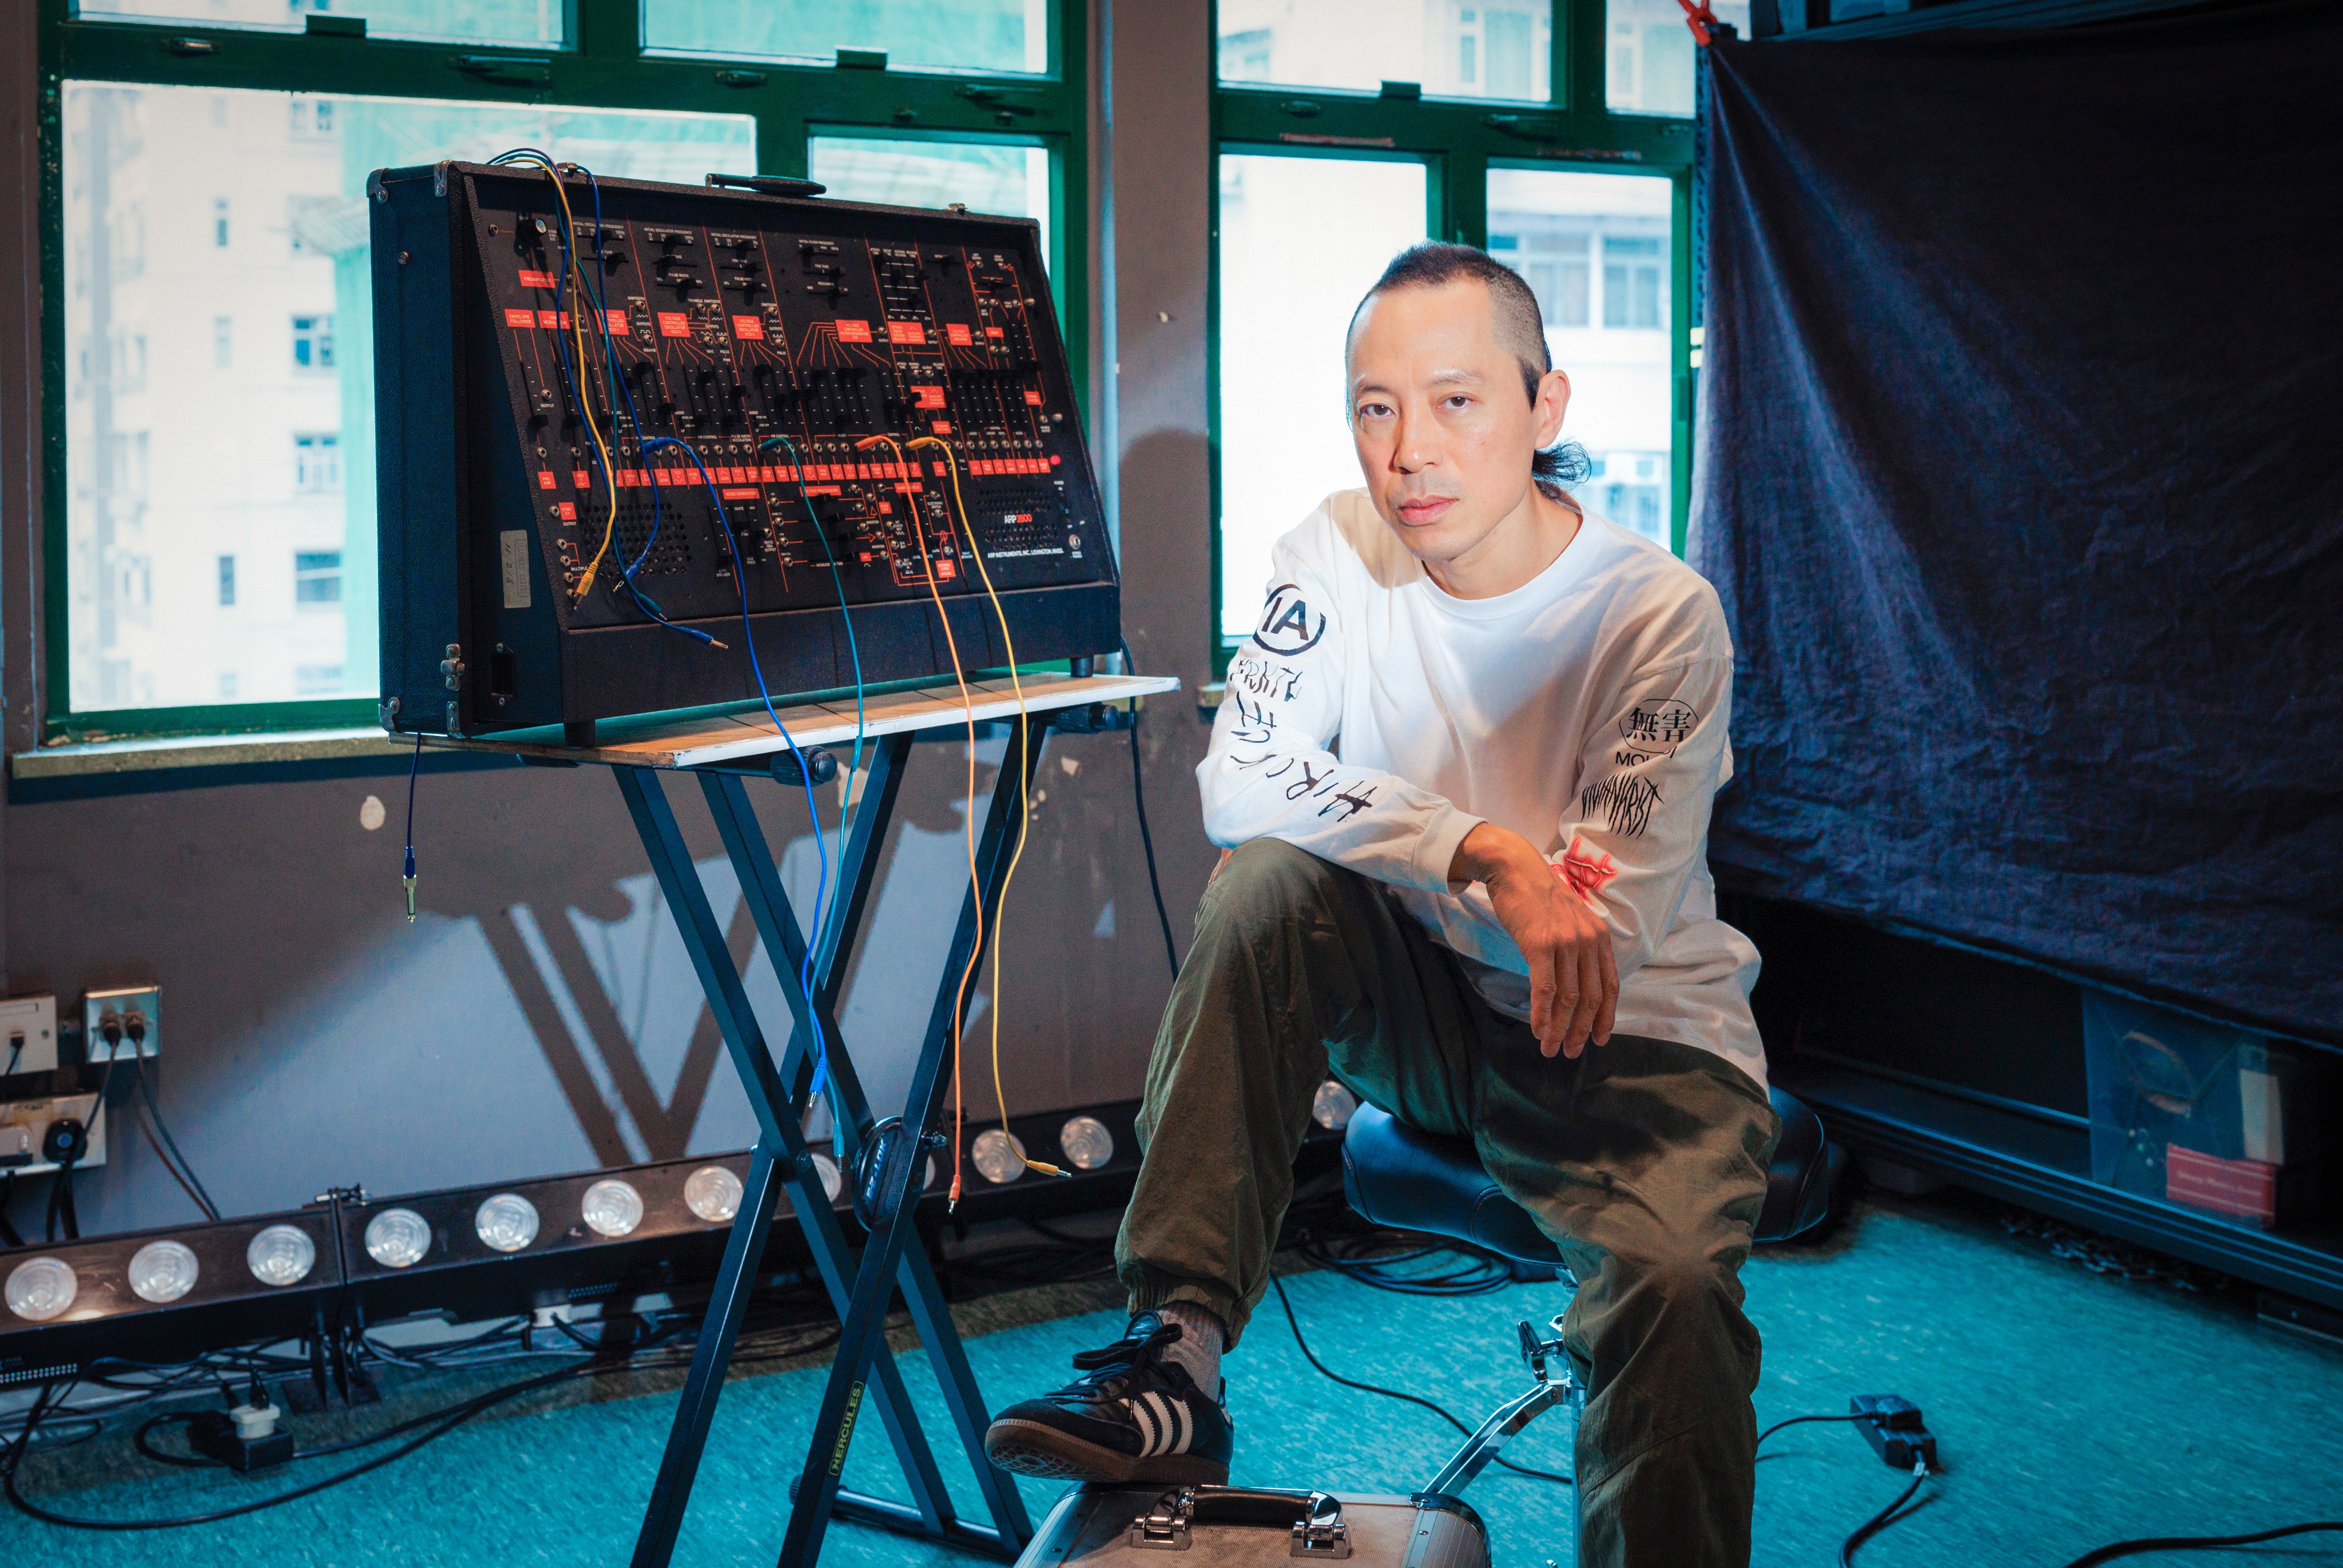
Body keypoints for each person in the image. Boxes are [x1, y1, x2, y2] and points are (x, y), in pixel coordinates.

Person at [984, 243, 1776, 1567]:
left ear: (1545, 406)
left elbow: (1601, 926)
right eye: (1373, 406)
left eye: (1456, 400)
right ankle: (1175, 1357)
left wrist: (1487, 869)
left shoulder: (1657, 614)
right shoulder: (1334, 551)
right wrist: (1476, 850)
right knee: (1267, 885)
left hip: (1635, 1040)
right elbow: (1236, 783)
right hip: (1430, 1004)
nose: (1406, 449)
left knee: (1678, 1287)